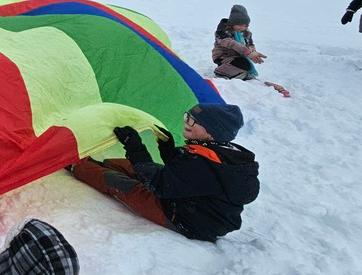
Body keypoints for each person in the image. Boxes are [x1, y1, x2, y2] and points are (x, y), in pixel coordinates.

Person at [68, 102, 259, 242]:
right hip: (193, 206)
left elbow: (158, 186)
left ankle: (75, 165)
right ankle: (95, 165)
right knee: (132, 165)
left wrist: (135, 148)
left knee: (122, 183)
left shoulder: (204, 162)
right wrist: (168, 152)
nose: (187, 122)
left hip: (185, 219)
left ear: (211, 133)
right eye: (187, 117)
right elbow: (187, 177)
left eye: (194, 121)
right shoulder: (220, 152)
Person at [212, 4, 266, 80]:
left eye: (245, 26)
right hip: (223, 57)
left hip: (238, 57)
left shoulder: (246, 33)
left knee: (245, 65)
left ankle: (237, 74)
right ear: (233, 23)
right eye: (240, 25)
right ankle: (221, 72)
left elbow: (250, 44)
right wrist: (247, 52)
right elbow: (231, 43)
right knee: (242, 63)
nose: (242, 28)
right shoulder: (222, 32)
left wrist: (252, 51)